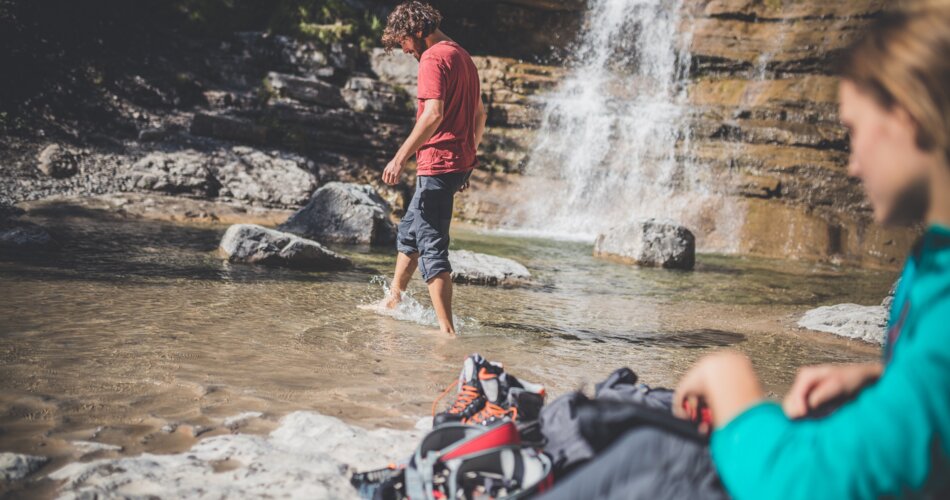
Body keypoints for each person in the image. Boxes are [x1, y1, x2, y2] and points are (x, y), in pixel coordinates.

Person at [672, 1, 950, 498]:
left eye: (853, 132)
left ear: (906, 117)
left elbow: (804, 484)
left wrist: (728, 374)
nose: (852, 166)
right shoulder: (932, 258)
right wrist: (882, 383)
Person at [378, 1, 487, 334]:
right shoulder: (462, 55)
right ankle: (393, 300)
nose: (404, 49)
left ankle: (447, 332)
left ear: (416, 30)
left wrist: (399, 158)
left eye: (403, 42)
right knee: (409, 231)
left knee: (430, 245)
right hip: (454, 163)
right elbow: (480, 115)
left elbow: (433, 114)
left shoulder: (433, 58)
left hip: (438, 163)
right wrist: (466, 157)